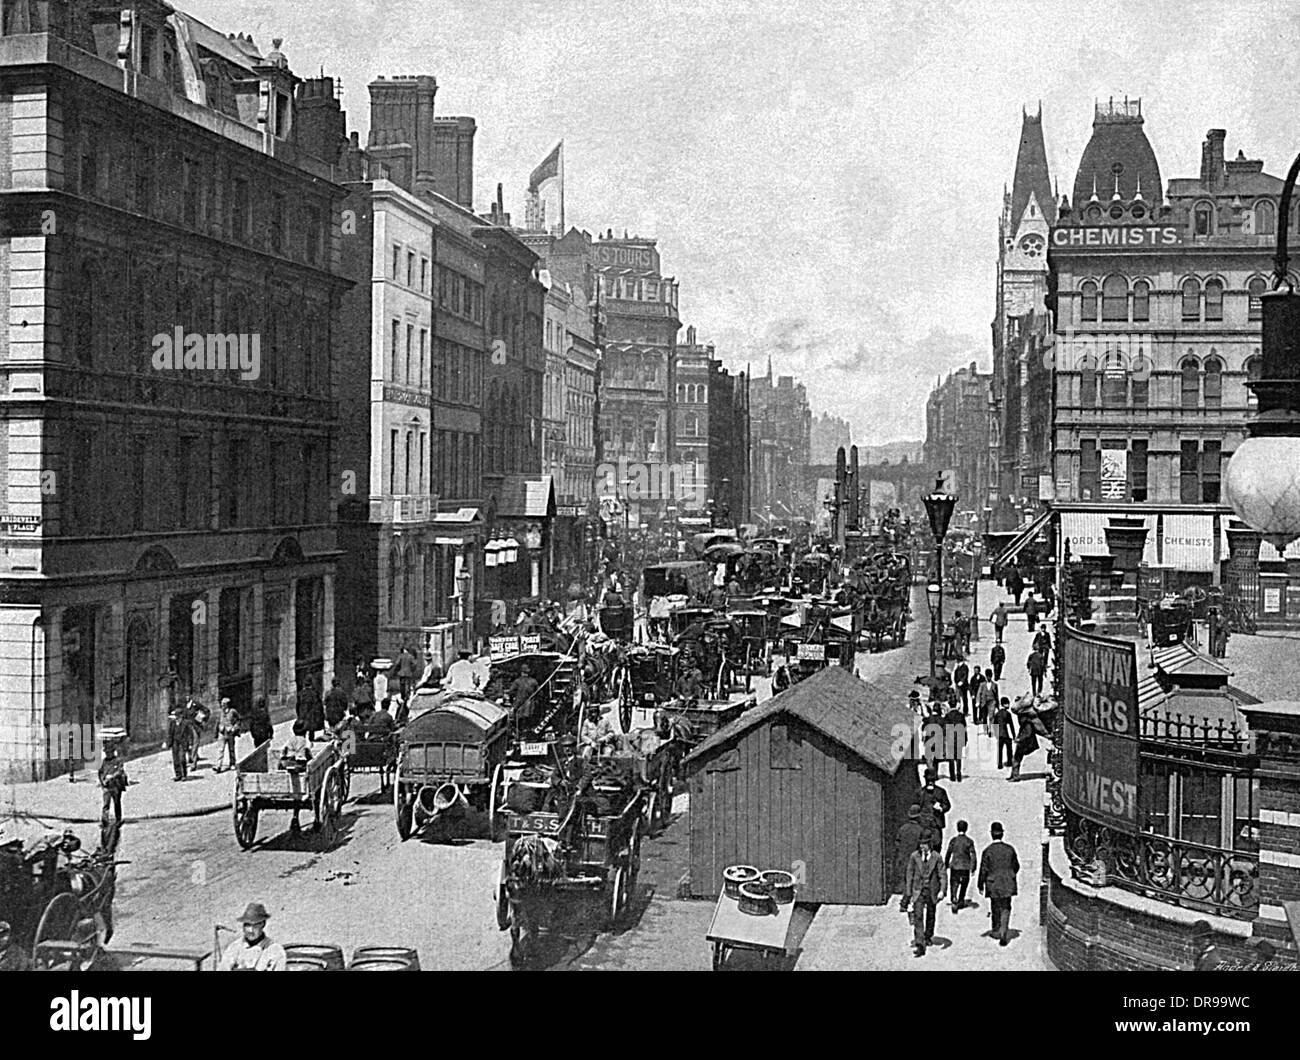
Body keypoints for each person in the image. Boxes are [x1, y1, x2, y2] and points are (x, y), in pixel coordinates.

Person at [978, 822, 1020, 946]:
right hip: (1008, 882)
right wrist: (1010, 875)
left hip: (993, 883)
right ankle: (1004, 932)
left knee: (995, 906)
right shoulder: (1010, 849)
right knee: (1006, 907)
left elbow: (983, 869)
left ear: (991, 834)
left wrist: (980, 884)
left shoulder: (988, 851)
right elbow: (1016, 866)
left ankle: (996, 929)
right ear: (1002, 834)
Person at [905, 834, 946, 957]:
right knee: (918, 916)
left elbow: (942, 874)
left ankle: (928, 935)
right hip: (918, 891)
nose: (922, 847)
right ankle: (919, 944)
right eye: (921, 844)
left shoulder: (937, 857)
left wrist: (942, 890)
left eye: (925, 844)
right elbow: (909, 874)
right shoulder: (914, 857)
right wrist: (908, 893)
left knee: (931, 914)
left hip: (932, 891)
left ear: (930, 844)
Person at [219, 902, 288, 971]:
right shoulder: (234, 948)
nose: (250, 930)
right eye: (247, 925)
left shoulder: (275, 950)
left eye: (255, 926)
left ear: (263, 924)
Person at [896, 805, 924, 913]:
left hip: (903, 858)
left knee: (906, 881)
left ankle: (904, 903)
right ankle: (907, 902)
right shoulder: (920, 830)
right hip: (915, 860)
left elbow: (897, 844)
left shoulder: (902, 829)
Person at [945, 820, 977, 913]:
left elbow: (948, 853)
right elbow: (973, 855)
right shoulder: (969, 841)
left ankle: (954, 897)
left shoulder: (953, 840)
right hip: (965, 867)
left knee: (954, 883)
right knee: (964, 884)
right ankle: (961, 900)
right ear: (966, 829)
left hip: (955, 866)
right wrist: (973, 866)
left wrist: (946, 863)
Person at [914, 767, 951, 847]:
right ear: (925, 779)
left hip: (936, 824)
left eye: (933, 780)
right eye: (929, 780)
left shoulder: (940, 792)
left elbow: (947, 805)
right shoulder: (920, 792)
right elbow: (915, 807)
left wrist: (941, 808)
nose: (931, 782)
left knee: (937, 844)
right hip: (923, 824)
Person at [98, 740, 127, 825]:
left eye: (109, 752)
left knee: (117, 803)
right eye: (106, 752)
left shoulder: (118, 760)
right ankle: (104, 820)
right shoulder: (104, 762)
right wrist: (102, 781)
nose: (108, 754)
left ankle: (118, 819)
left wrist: (111, 777)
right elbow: (100, 772)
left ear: (113, 752)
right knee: (106, 804)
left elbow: (120, 771)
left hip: (116, 786)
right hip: (106, 786)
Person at [166, 701, 191, 782]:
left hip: (182, 743)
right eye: (175, 716)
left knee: (182, 759)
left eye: (177, 716)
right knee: (175, 759)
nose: (176, 717)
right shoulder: (172, 723)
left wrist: (189, 744)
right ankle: (178, 775)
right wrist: (169, 743)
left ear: (181, 716)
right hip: (175, 743)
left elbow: (189, 734)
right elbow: (170, 733)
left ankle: (184, 775)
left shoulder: (185, 723)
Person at [216, 698, 241, 773]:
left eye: (224, 704)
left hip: (230, 733)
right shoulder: (220, 712)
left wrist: (235, 727)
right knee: (220, 749)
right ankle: (218, 766)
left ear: (227, 704)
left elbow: (238, 720)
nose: (222, 705)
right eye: (221, 704)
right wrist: (216, 732)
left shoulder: (232, 711)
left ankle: (232, 763)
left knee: (231, 749)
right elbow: (217, 722)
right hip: (222, 733)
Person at [944, 701, 966, 782]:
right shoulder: (961, 715)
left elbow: (945, 728)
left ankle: (952, 776)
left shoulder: (947, 716)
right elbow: (964, 728)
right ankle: (959, 773)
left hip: (950, 738)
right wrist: (965, 739)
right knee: (959, 757)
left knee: (951, 758)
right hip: (959, 738)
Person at [994, 697, 1016, 770]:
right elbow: (1011, 725)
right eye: (1007, 703)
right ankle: (1009, 762)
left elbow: (994, 724)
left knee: (1000, 749)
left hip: (1000, 734)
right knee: (1009, 748)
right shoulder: (1008, 714)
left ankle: (1000, 764)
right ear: (1004, 704)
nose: (1008, 705)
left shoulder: (997, 714)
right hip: (1007, 733)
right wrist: (1014, 735)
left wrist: (996, 734)